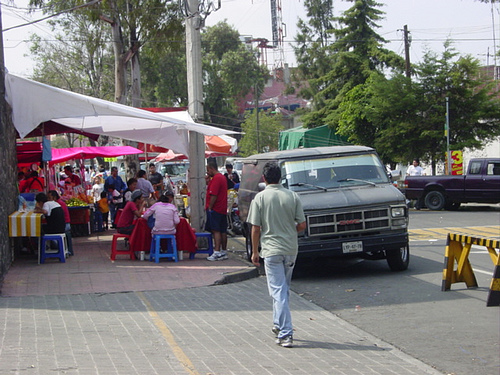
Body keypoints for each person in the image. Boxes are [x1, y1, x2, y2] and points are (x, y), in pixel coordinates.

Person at [247, 162, 306, 348]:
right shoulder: (292, 196)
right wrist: (289, 231)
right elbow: (302, 225)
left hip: (271, 250)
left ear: (264, 179)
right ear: (280, 177)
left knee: (278, 291)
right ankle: (278, 324)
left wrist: (255, 252)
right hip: (290, 249)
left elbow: (255, 229)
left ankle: (285, 333)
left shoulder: (260, 198)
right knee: (283, 289)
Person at [205, 159, 228, 261]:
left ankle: (217, 251)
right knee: (223, 230)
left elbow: (213, 194)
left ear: (211, 168)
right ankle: (223, 251)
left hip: (216, 208)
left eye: (208, 170)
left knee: (216, 230)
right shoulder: (222, 177)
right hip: (222, 208)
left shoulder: (216, 178)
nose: (207, 172)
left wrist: (210, 207)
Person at [48, 190, 74, 256]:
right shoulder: (58, 203)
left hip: (65, 224)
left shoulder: (58, 204)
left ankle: (64, 251)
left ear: (54, 197)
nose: (48, 199)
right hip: (65, 223)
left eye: (49, 197)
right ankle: (65, 251)